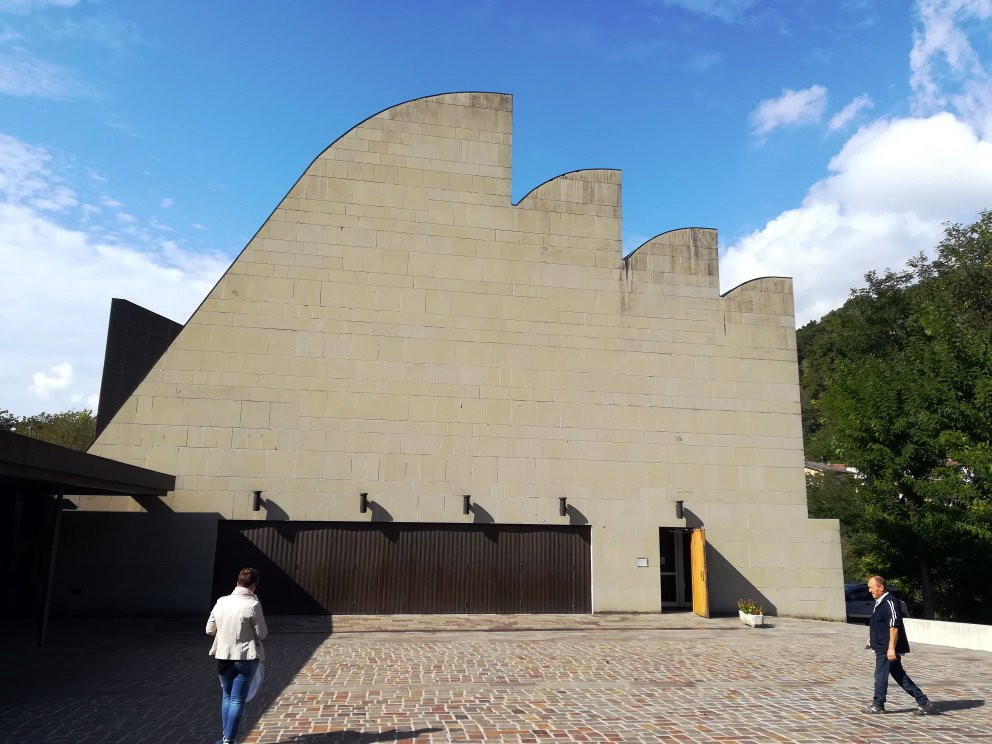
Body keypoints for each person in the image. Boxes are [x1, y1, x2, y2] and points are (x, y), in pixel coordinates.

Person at [207, 567, 268, 744]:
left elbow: (209, 629)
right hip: (246, 657)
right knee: (237, 699)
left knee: (226, 696)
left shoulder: (221, 602)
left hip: (223, 655)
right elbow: (262, 633)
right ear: (254, 586)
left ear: (237, 582)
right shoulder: (253, 604)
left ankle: (225, 737)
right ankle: (229, 740)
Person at [861, 574, 933, 715]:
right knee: (900, 676)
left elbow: (894, 626)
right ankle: (923, 701)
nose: (869, 590)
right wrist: (872, 640)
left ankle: (878, 705)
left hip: (887, 648)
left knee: (880, 676)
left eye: (871, 587)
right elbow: (880, 625)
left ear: (881, 587)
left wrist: (891, 648)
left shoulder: (890, 602)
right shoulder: (880, 602)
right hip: (882, 646)